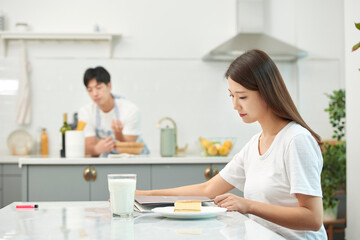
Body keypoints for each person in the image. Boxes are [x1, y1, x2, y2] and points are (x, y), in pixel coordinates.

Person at [136, 50, 326, 239]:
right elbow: (207, 189)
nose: (235, 105)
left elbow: (313, 218)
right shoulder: (255, 144)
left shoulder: (296, 140)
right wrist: (144, 195)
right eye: (231, 96)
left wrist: (248, 205)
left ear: (267, 92)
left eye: (242, 97)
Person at [78, 66, 149, 157]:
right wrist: (96, 149)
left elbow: (130, 148)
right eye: (90, 90)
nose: (95, 94)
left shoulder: (130, 110)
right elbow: (89, 145)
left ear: (109, 86)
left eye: (99, 87)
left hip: (136, 159)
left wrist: (119, 134)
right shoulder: (86, 112)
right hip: (108, 158)